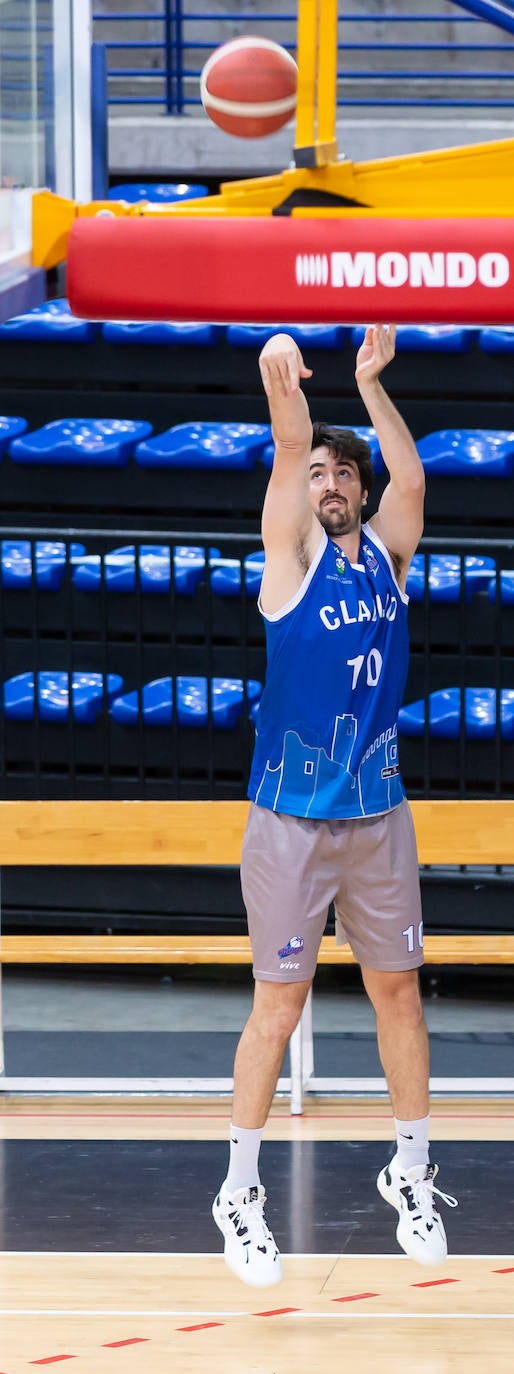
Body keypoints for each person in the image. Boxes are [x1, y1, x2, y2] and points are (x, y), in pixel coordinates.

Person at [212, 324, 457, 1288]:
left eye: (341, 473)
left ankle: (410, 1166)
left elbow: (416, 483)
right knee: (280, 1005)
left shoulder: (388, 565)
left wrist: (372, 385)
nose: (329, 481)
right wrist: (290, 391)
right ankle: (238, 1192)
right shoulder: (291, 564)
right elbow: (284, 451)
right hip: (290, 824)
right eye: (318, 474)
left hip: (378, 818)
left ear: (358, 491)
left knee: (399, 992)